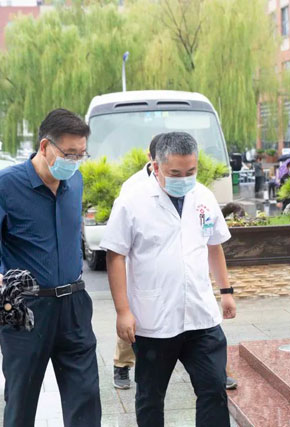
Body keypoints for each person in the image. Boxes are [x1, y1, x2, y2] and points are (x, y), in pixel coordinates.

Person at [0, 109, 101, 426]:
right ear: (45, 146)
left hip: (74, 305)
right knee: (21, 399)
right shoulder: (5, 185)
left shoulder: (75, 180)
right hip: (26, 308)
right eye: (69, 154)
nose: (75, 161)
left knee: (86, 397)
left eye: (81, 154)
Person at [101, 132, 237, 427]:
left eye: (191, 171)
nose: (184, 179)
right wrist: (123, 311)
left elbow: (214, 245)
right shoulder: (132, 201)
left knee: (214, 389)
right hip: (154, 320)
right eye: (175, 173)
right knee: (151, 397)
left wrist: (226, 290)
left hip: (201, 317)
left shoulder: (204, 197)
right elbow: (115, 256)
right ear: (156, 166)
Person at [112, 134, 161, 390]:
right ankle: (122, 365)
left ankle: (215, 371)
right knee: (133, 320)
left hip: (172, 267)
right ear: (150, 157)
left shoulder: (182, 181)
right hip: (141, 265)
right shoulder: (133, 186)